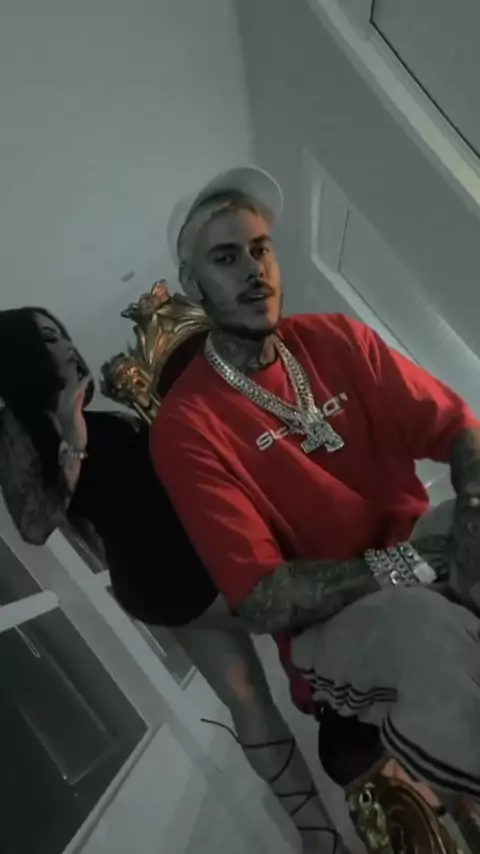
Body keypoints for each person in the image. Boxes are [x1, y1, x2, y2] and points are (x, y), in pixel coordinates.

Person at [149, 166, 480, 823]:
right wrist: (412, 565)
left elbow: (460, 430)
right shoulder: (186, 428)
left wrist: (468, 514)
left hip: (418, 548)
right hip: (327, 628)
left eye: (260, 249)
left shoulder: (336, 338)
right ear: (192, 284)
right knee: (422, 626)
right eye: (226, 258)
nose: (254, 270)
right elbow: (265, 598)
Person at [0, 306, 344, 854]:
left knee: (246, 694)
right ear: (21, 355)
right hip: (164, 573)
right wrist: (73, 433)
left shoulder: (87, 410)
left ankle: (319, 838)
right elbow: (35, 524)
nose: (64, 343)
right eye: (47, 338)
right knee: (313, 615)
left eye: (61, 332)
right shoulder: (25, 430)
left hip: (184, 561)